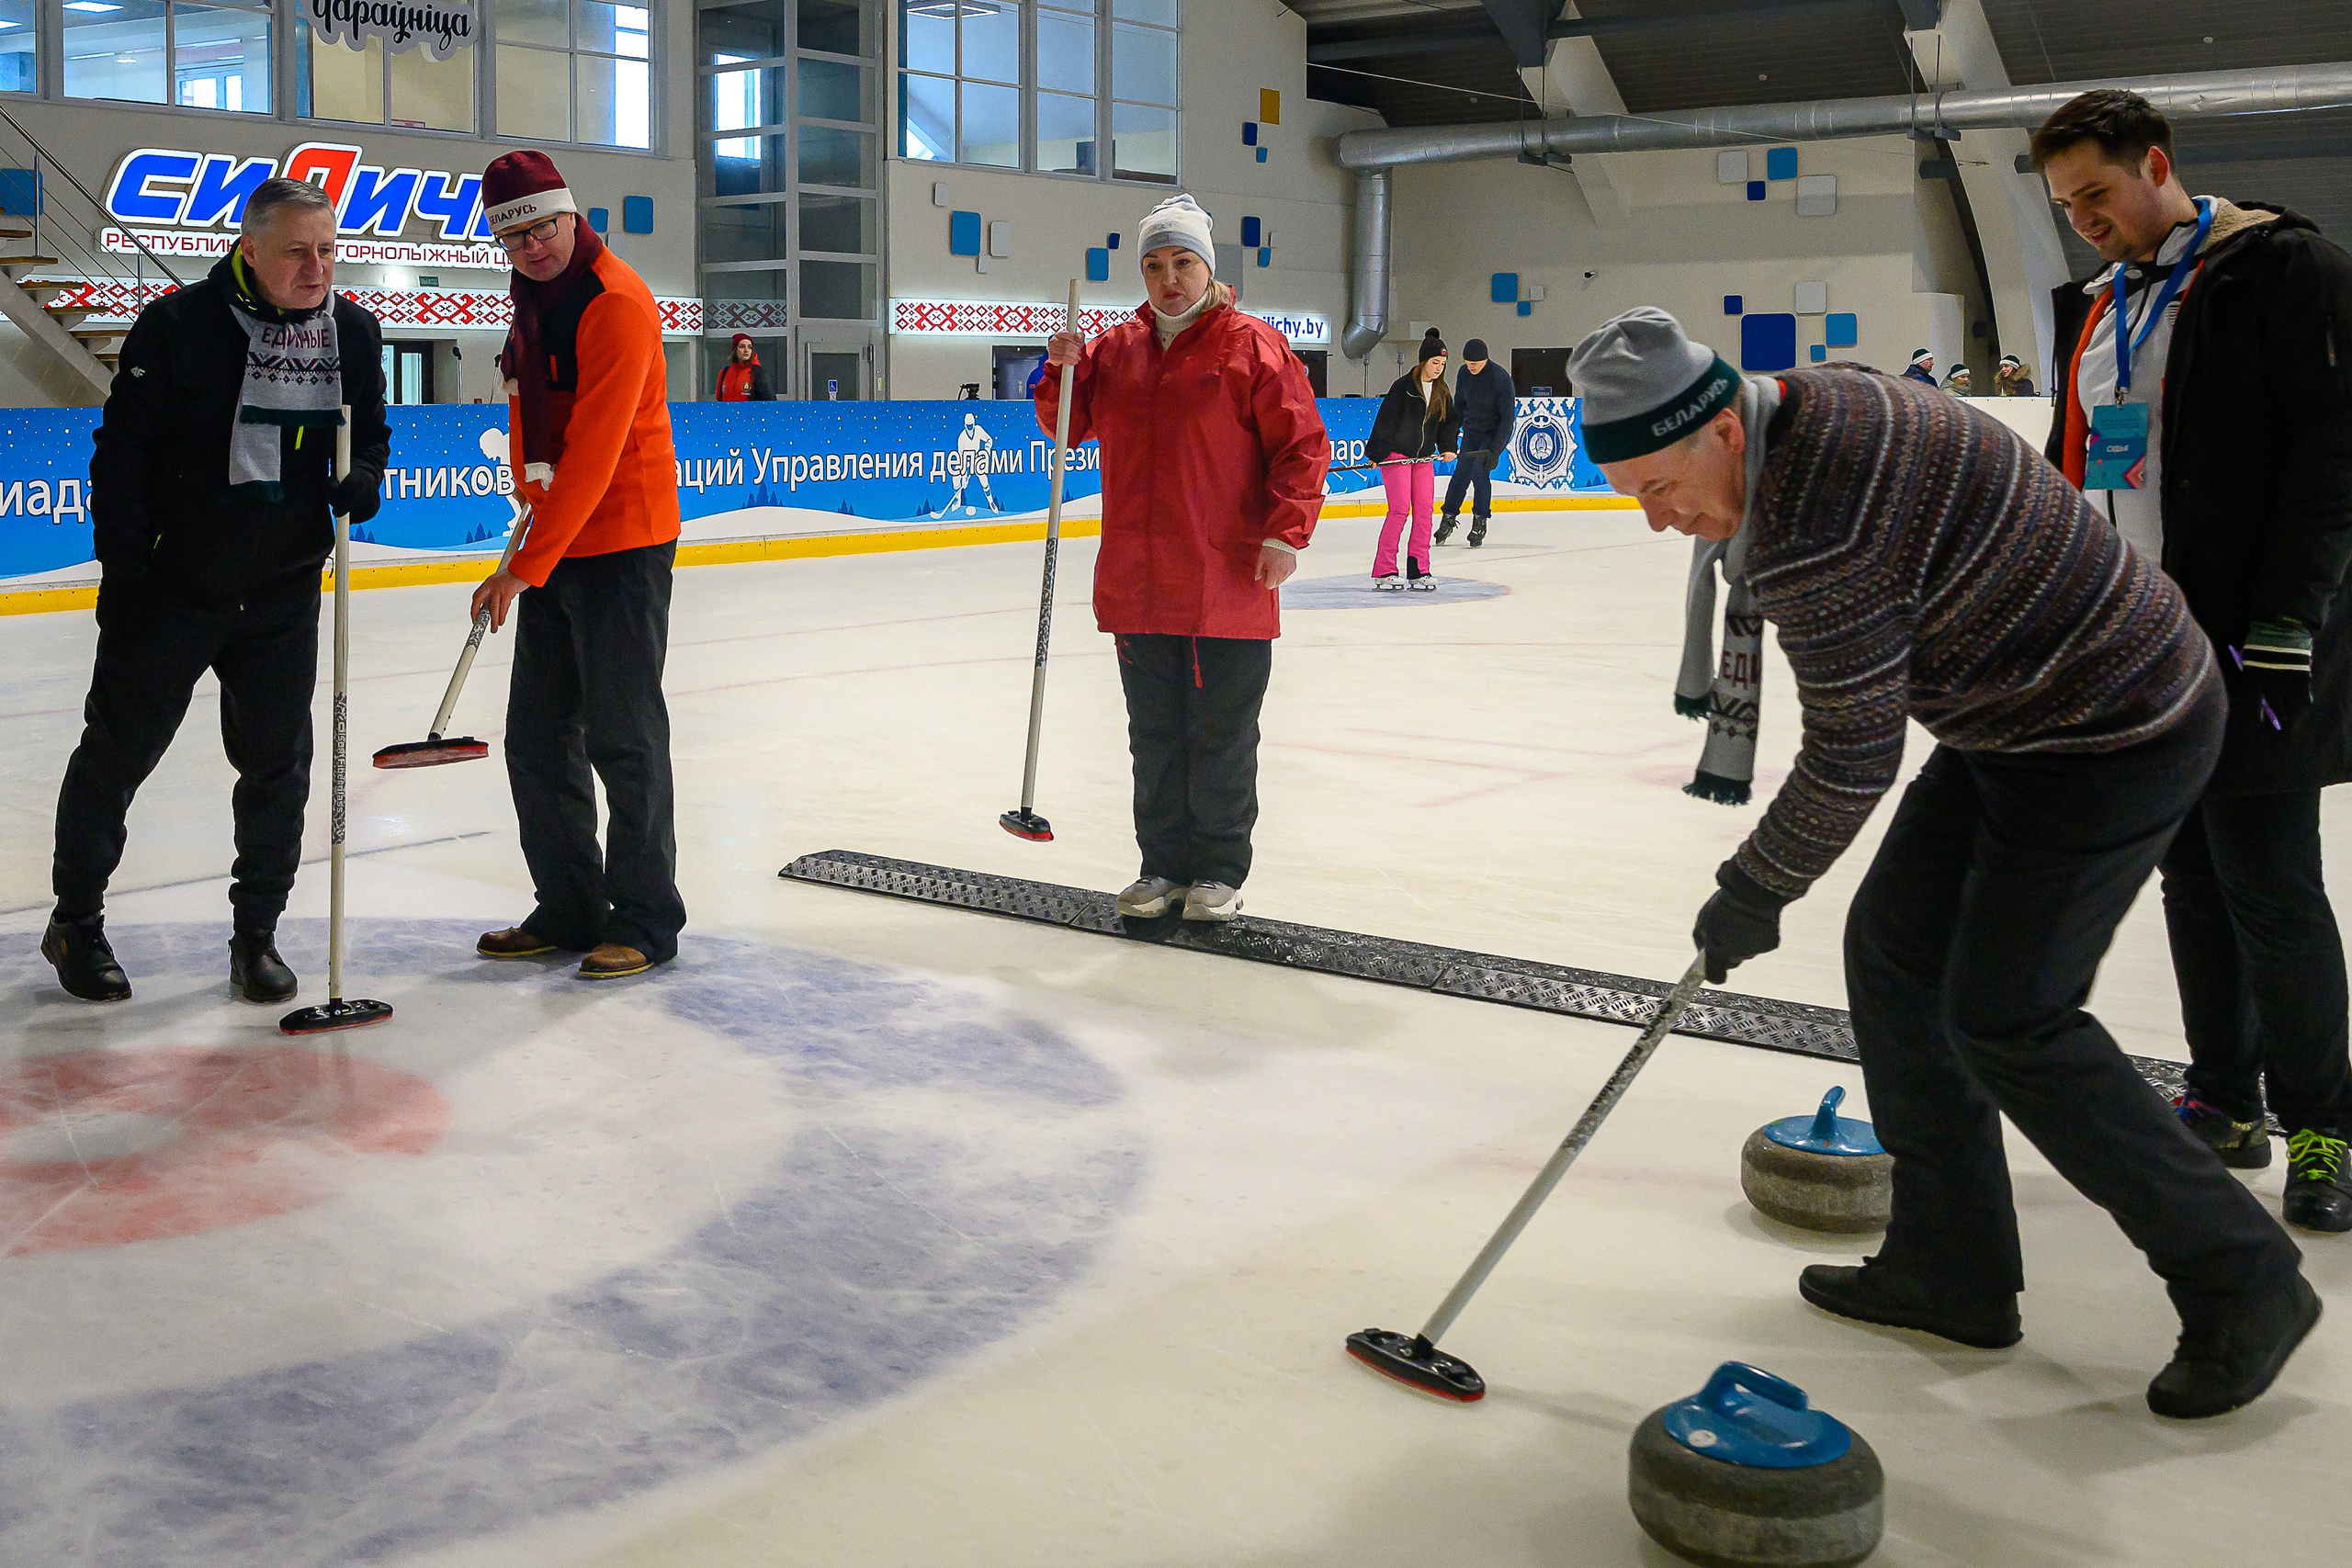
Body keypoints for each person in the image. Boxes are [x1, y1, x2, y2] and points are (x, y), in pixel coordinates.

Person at [1572, 304, 2315, 1421]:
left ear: (1722, 427)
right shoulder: (1807, 409)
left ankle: (2243, 1279)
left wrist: (1750, 891)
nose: (1656, 520)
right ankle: (1953, 1266)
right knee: (1894, 950)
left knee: (2011, 1014)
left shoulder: (1818, 522)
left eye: (1655, 487)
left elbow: (1852, 759)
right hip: (2013, 718)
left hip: (2116, 725)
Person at [2036, 88, 2352, 1231]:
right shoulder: (2097, 304)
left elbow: (2332, 465)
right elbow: (2079, 471)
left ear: (2155, 164)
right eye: (2065, 204)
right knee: (2193, 878)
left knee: (2270, 885)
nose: (2083, 218)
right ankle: (2224, 1096)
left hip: (2258, 646)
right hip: (2141, 650)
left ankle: (2328, 1126)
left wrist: (2284, 628)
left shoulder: (2286, 271)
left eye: (2096, 193)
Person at [44, 176, 388, 1005]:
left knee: (278, 770)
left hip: (280, 593)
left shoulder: (350, 330)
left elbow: (369, 424)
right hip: (174, 589)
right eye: (298, 252)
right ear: (249, 250)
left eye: (329, 251)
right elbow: (120, 460)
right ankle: (75, 921)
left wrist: (367, 472)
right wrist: (127, 575)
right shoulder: (178, 327)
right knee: (116, 757)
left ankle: (256, 936)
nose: (318, 269)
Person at [1038, 192, 1327, 924]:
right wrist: (1058, 373)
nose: (1170, 279)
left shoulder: (1253, 345)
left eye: (1184, 263)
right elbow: (1067, 426)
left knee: (1221, 735)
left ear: (1208, 267)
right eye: (1156, 265)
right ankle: (1162, 865)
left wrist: (1284, 533)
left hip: (1225, 580)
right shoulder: (1116, 349)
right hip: (1140, 581)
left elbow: (1302, 446)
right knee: (1155, 736)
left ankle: (1219, 869)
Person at [469, 150, 687, 981]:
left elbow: (595, 455)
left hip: (623, 542)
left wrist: (522, 568)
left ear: (571, 215)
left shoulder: (617, 302)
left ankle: (646, 917)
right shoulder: (531, 299)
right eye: (513, 235)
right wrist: (528, 491)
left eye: (543, 226)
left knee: (624, 736)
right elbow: (530, 406)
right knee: (536, 735)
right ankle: (569, 905)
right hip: (558, 540)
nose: (532, 245)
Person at [1364, 328, 1461, 591]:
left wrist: (1449, 446)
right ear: (1423, 361)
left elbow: (1448, 423)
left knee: (1424, 513)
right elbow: (1386, 420)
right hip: (1397, 457)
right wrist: (1376, 454)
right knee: (1398, 511)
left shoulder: (1442, 391)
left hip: (1424, 459)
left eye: (1442, 364)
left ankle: (1419, 570)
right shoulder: (1404, 387)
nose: (1439, 368)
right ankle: (1385, 570)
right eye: (1435, 363)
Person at [1436, 337, 1514, 547]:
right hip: (1472, 431)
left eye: (1475, 364)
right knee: (1461, 474)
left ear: (1485, 360)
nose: (1471, 367)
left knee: (1480, 473)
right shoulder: (1464, 374)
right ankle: (1449, 517)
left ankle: (1480, 520)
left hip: (1492, 433)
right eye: (1468, 363)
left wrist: (1495, 451)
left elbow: (1508, 418)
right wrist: (1450, 442)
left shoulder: (1500, 378)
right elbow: (1458, 408)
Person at [714, 333, 774, 401]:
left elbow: (770, 402)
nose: (746, 350)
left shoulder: (758, 373)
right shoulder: (724, 372)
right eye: (742, 346)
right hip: (727, 411)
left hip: (751, 411)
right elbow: (719, 399)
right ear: (735, 350)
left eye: (750, 347)